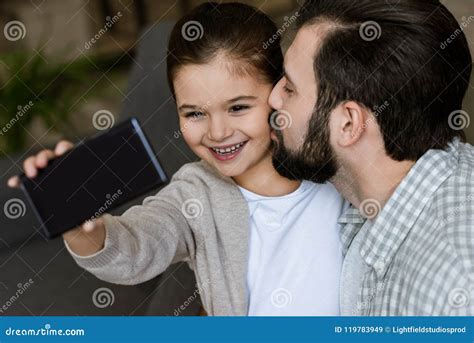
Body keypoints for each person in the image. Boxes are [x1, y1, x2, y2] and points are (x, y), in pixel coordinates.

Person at [8, 2, 346, 316]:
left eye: (238, 107)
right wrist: (82, 228)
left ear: (279, 93)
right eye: (195, 113)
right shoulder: (194, 194)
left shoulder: (336, 169)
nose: (217, 132)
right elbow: (136, 247)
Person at [269, 0, 474, 315]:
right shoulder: (380, 195)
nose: (272, 97)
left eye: (290, 89)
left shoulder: (452, 291)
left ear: (349, 124)